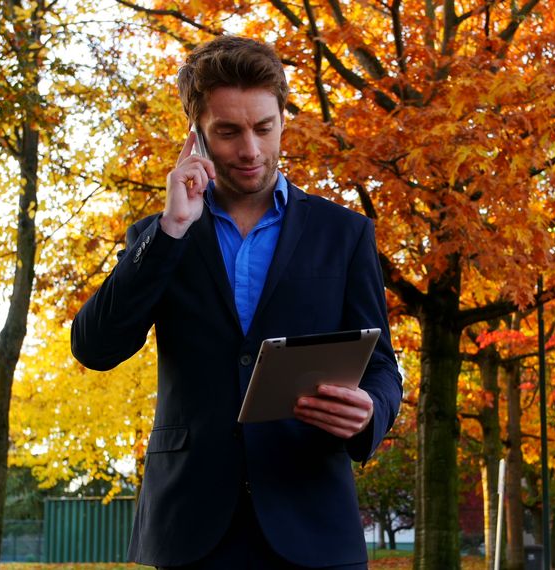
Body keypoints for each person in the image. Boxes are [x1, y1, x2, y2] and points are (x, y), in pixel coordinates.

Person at [71, 35, 403, 569]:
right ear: (197, 135)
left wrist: (370, 413)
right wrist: (171, 228)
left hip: (313, 521)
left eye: (264, 128)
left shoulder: (344, 234)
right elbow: (95, 347)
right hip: (191, 526)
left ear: (282, 121)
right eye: (228, 132)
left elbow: (383, 368)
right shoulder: (161, 237)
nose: (250, 150)